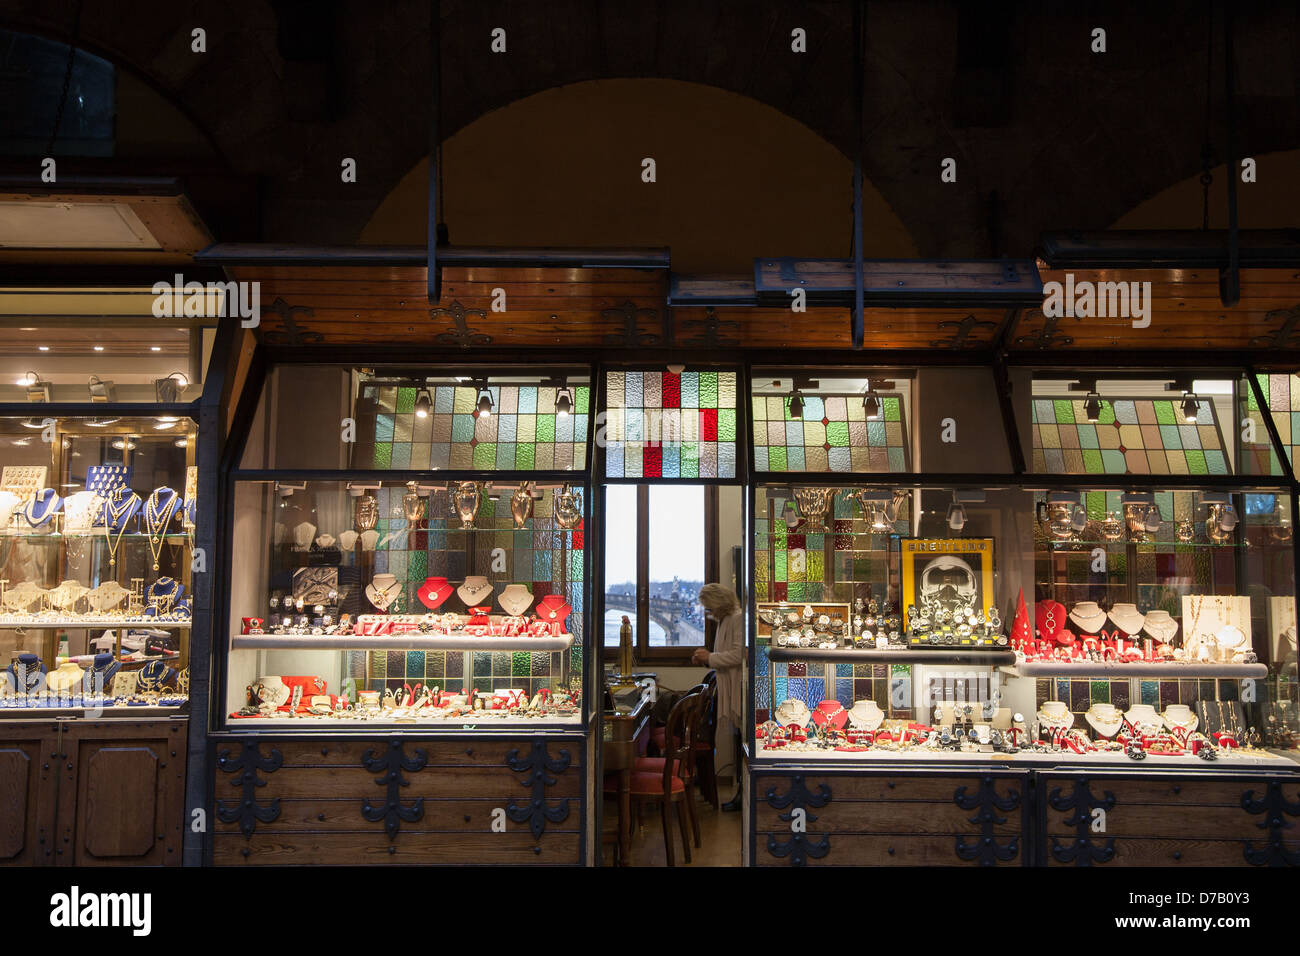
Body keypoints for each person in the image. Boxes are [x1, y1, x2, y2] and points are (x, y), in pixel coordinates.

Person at [691, 583, 744, 811]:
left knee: (742, 741)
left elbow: (740, 654)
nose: (707, 611)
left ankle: (743, 792)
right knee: (738, 740)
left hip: (737, 686)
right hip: (728, 685)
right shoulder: (725, 620)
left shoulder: (737, 619)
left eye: (709, 606)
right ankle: (741, 792)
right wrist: (708, 658)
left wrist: (710, 657)